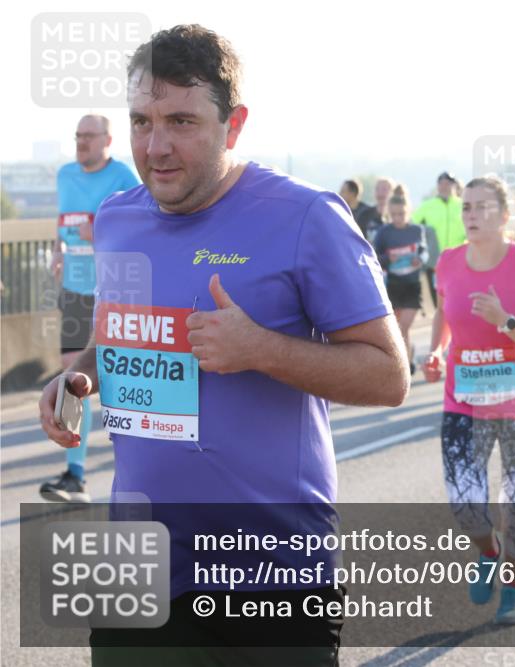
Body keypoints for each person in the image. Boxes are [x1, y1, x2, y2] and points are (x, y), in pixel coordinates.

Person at [38, 25, 409, 666]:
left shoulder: (307, 217)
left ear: (233, 125)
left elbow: (389, 376)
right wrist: (79, 377)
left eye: (181, 122)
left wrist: (261, 349)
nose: (156, 146)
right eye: (141, 121)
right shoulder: (117, 219)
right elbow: (116, 331)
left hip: (272, 571)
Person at [421, 176, 515, 625]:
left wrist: (506, 321)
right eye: (467, 207)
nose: (472, 215)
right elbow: (445, 312)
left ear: (504, 216)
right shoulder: (448, 261)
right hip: (464, 397)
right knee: (465, 504)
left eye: (482, 207)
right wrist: (437, 350)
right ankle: (489, 550)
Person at [40, 114, 139, 504]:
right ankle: (75, 474)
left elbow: (141, 224)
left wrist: (99, 230)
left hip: (112, 288)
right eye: (78, 135)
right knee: (73, 378)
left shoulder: (124, 177)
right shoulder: (65, 175)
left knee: (118, 379)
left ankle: (135, 466)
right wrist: (57, 250)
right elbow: (63, 221)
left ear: (107, 140)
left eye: (88, 136)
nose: (81, 142)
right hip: (74, 288)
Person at [373, 185, 428, 374]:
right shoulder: (384, 232)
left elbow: (424, 252)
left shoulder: (416, 230)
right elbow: (374, 256)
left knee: (403, 327)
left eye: (402, 214)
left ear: (408, 211)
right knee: (398, 329)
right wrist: (388, 259)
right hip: (393, 285)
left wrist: (419, 259)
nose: (398, 218)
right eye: (394, 214)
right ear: (389, 214)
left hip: (412, 285)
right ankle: (408, 359)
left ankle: (404, 366)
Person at [413, 171, 465, 308]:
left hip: (459, 261)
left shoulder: (463, 205)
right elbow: (411, 226)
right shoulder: (427, 205)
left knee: (457, 300)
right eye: (441, 184)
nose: (444, 187)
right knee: (439, 303)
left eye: (447, 184)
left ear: (454, 186)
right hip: (435, 262)